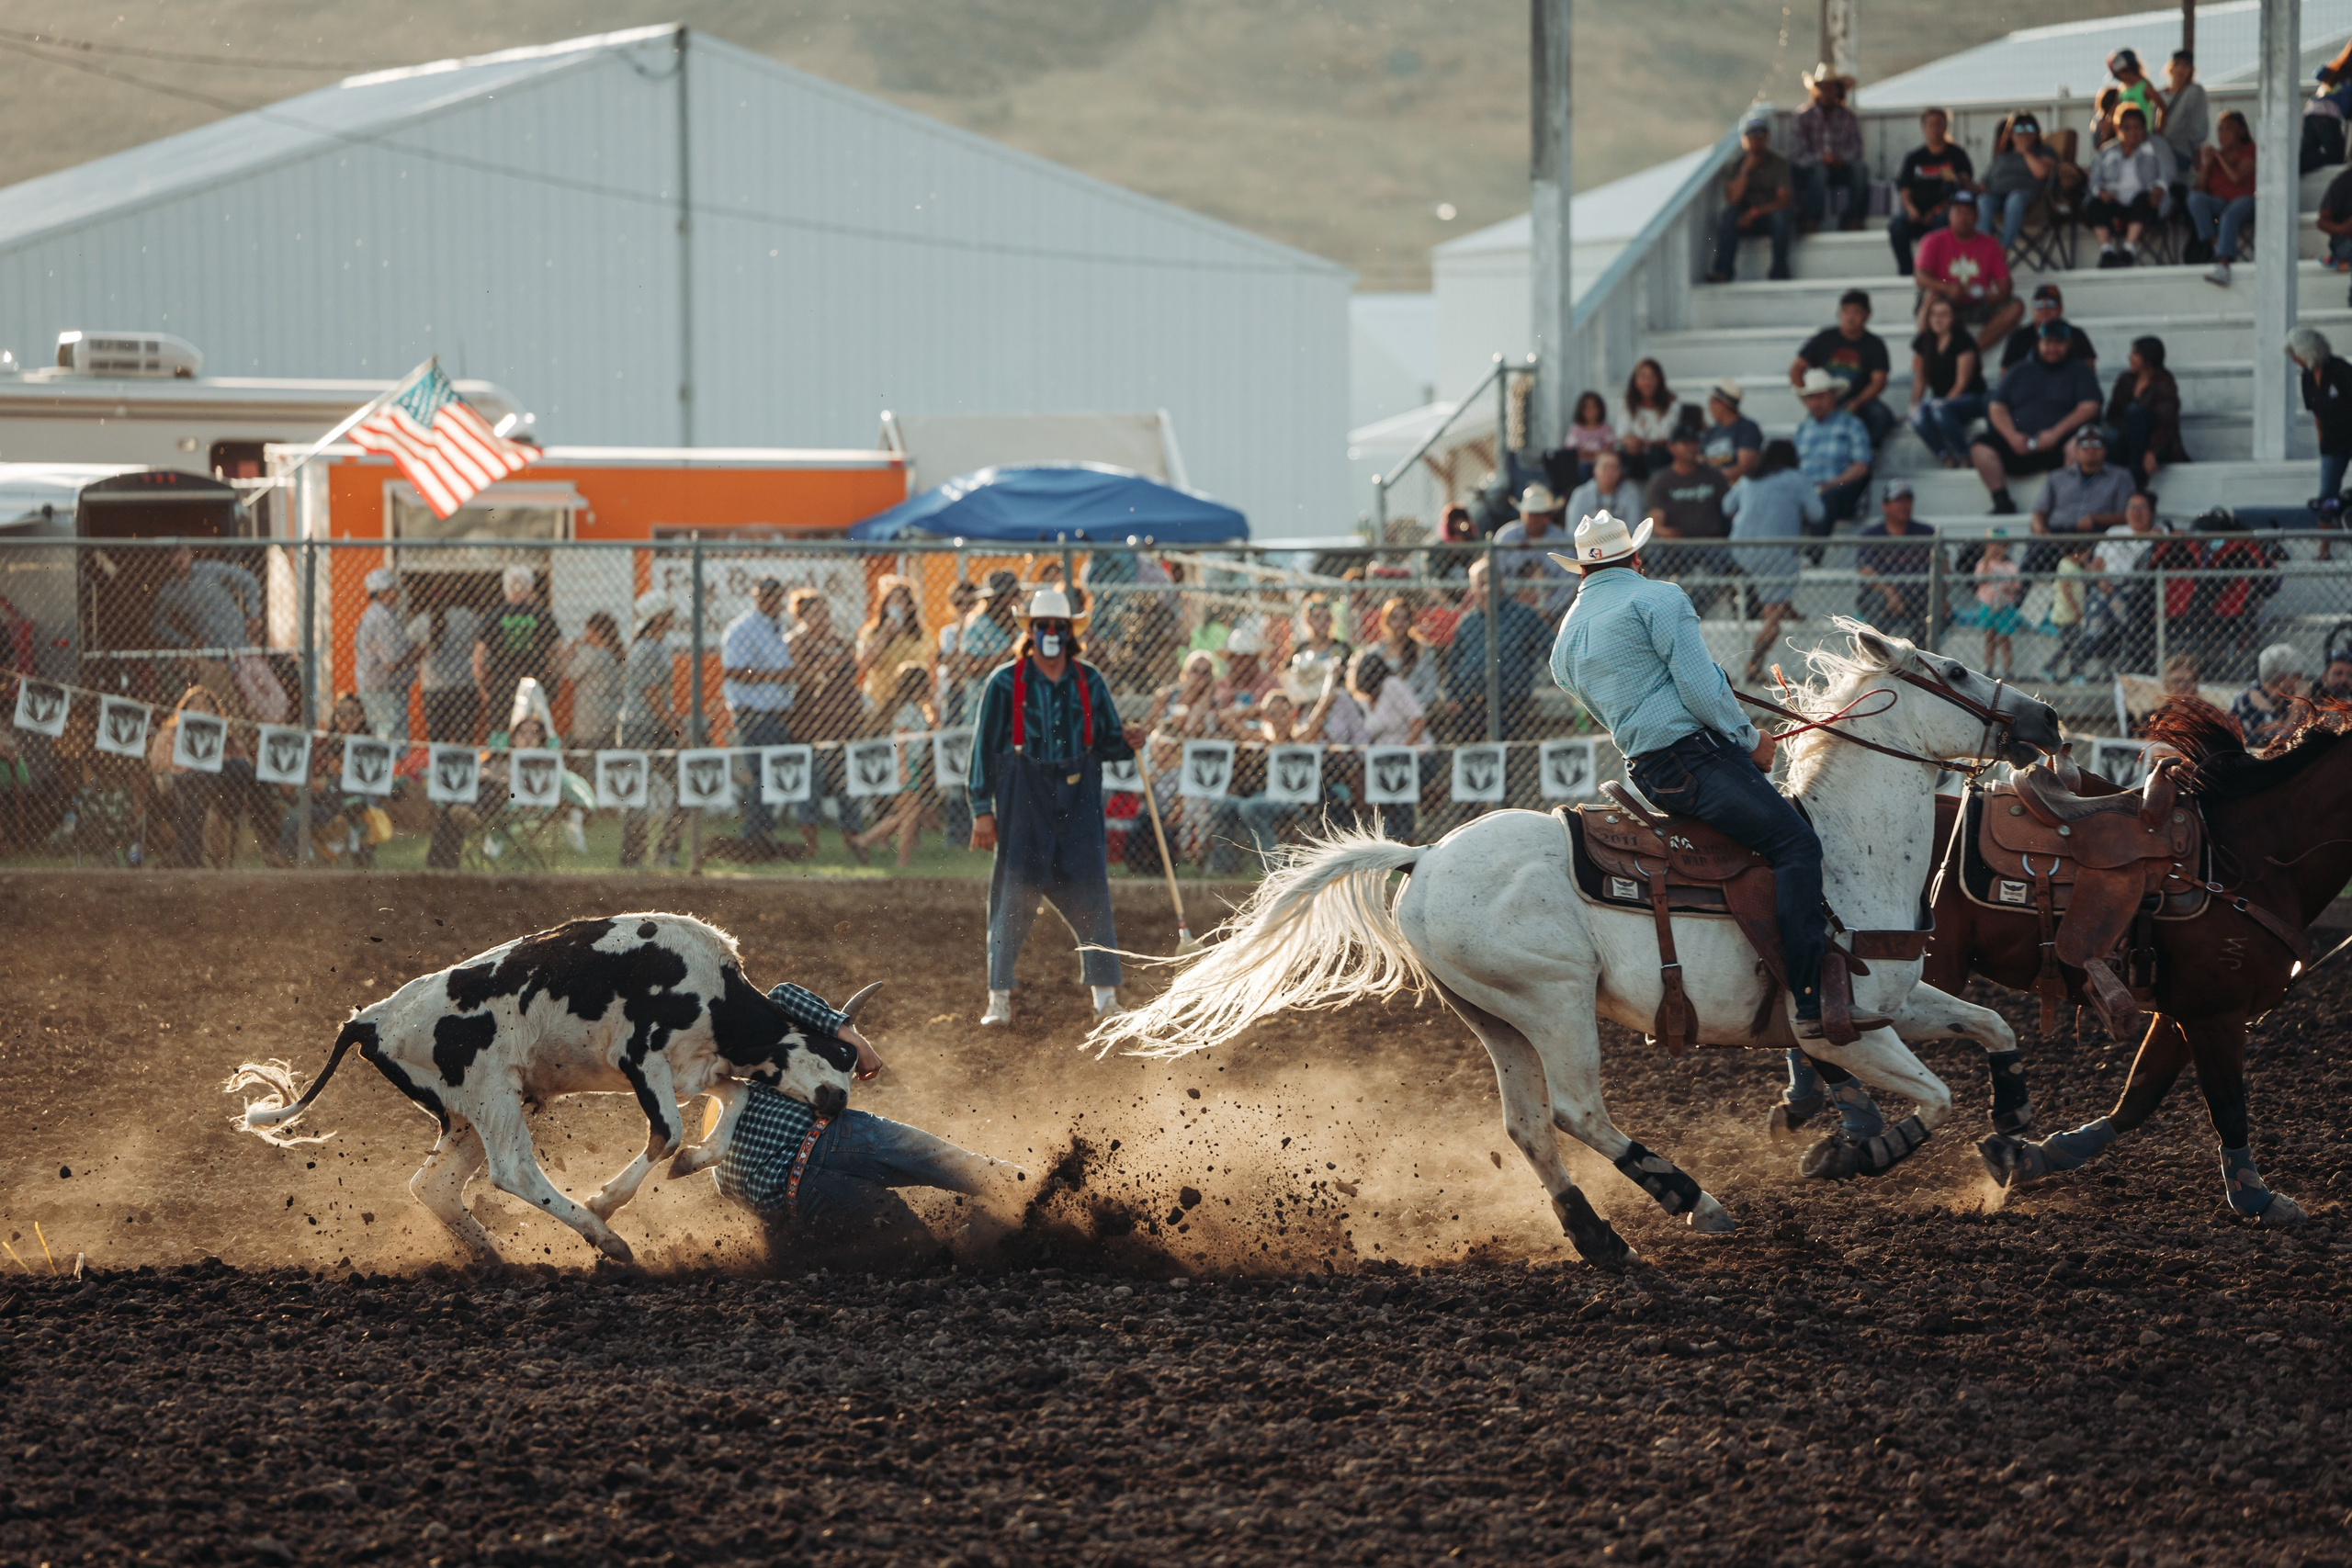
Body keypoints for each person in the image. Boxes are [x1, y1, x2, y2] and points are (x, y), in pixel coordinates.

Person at [1545, 510, 1883, 1039]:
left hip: (1650, 770)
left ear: (1582, 571)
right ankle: (1812, 1000)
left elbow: (1593, 694)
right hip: (1700, 760)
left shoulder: (1565, 638)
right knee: (1797, 847)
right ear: (1635, 557)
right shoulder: (1659, 597)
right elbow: (1701, 690)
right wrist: (1751, 740)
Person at [707, 985, 1018, 1249]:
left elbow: (772, 1221)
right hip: (829, 1137)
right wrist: (855, 1041)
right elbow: (782, 995)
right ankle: (1036, 1191)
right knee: (953, 1164)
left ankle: (989, 1238)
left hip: (802, 1197)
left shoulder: (721, 1164)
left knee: (920, 1245)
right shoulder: (764, 1059)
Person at [967, 588, 1141, 1026]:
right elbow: (982, 748)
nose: (1050, 633)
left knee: (1092, 892)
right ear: (1029, 630)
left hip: (1079, 795)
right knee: (1011, 895)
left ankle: (1106, 999)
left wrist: (1129, 742)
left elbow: (1109, 742)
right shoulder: (1004, 682)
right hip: (1022, 797)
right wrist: (980, 809)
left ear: (1070, 633)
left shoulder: (1091, 681)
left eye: (1058, 626)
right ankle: (999, 999)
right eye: (1042, 625)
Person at [1973, 319, 2105, 515]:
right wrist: (2012, 437)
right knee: (1980, 447)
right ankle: (2002, 501)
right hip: (2019, 444)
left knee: (2079, 445)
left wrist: (2055, 433)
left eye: (2058, 343)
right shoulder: (2019, 369)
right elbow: (1997, 407)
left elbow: (2090, 406)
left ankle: (2064, 504)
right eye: (2048, 342)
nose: (2052, 348)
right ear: (2039, 343)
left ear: (2068, 344)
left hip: (2059, 445)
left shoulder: (2080, 370)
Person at [1723, 439, 1822, 681]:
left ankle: (1785, 606)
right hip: (1775, 555)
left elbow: (1727, 507)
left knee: (1775, 582)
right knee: (1772, 619)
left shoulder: (1749, 478)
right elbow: (1818, 513)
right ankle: (1753, 665)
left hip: (1740, 552)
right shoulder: (1796, 479)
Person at [787, 589, 867, 863]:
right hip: (813, 728)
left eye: (826, 613)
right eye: (817, 613)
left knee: (848, 789)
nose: (825, 618)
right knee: (811, 788)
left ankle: (853, 845)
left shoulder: (839, 643)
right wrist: (828, 663)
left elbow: (852, 666)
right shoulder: (795, 642)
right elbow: (804, 676)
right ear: (803, 616)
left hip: (843, 726)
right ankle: (811, 846)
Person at [149, 683, 261, 867]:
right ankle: (190, 855)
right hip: (182, 787)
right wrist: (187, 771)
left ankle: (191, 854)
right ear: (184, 709)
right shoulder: (170, 735)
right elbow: (158, 764)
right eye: (195, 704)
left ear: (215, 711)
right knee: (197, 780)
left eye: (206, 705)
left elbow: (244, 765)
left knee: (237, 766)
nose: (201, 709)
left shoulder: (226, 737)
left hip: (220, 792)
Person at [722, 576, 797, 854]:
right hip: (754, 711)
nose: (776, 603)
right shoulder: (743, 629)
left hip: (775, 711)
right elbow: (735, 670)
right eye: (769, 598)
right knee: (762, 773)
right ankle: (753, 836)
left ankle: (761, 834)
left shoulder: (775, 627)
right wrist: (776, 677)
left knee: (770, 774)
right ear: (760, 598)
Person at [1444, 558, 1551, 741]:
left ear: (1500, 583)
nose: (1487, 589)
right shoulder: (1467, 622)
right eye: (1481, 584)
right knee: (1473, 759)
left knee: (1510, 756)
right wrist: (1451, 695)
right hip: (1471, 704)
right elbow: (1453, 663)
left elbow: (1550, 648)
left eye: (1491, 583)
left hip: (1511, 703)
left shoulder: (1523, 615)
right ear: (1473, 589)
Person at [151, 546, 263, 716]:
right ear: (167, 559)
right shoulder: (169, 592)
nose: (179, 558)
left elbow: (249, 580)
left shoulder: (210, 570)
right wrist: (186, 641)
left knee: (261, 702)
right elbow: (158, 625)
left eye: (183, 552)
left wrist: (253, 615)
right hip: (214, 657)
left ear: (190, 553)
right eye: (173, 554)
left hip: (242, 644)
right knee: (227, 707)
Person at [618, 591, 686, 871]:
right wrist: (676, 726)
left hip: (654, 729)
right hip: (640, 728)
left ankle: (665, 850)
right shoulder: (646, 648)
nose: (672, 616)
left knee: (684, 787)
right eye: (667, 612)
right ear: (657, 618)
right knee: (638, 797)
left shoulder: (658, 645)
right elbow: (652, 695)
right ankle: (632, 858)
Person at [847, 660, 936, 868]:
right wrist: (904, 767)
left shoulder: (916, 709)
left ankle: (864, 841)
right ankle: (901, 861)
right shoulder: (908, 710)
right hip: (906, 766)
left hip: (909, 765)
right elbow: (900, 739)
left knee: (904, 815)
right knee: (909, 816)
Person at [1913, 190, 2021, 354]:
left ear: (1977, 216)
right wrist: (1948, 288)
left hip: (1977, 300)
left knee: (2016, 307)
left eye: (1968, 212)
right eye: (1958, 212)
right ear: (1950, 215)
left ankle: (1972, 352)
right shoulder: (1932, 240)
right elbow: (1920, 277)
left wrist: (1996, 295)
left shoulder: (1990, 244)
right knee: (1931, 295)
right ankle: (1923, 352)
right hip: (1944, 299)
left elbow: (2004, 284)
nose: (1963, 217)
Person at [1643, 412, 1733, 608]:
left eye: (1694, 442)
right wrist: (1665, 531)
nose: (1691, 447)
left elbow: (1731, 511)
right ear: (1672, 447)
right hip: (1678, 546)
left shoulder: (1713, 476)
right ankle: (1661, 607)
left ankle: (1693, 609)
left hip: (1710, 543)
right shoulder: (1662, 480)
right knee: (1655, 558)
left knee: (1727, 558)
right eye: (1685, 443)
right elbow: (1655, 519)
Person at [1791, 289, 1894, 447]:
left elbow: (1879, 381)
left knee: (1882, 417)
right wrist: (1807, 397)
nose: (1850, 318)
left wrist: (1857, 402)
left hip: (1861, 400)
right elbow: (1796, 369)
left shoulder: (1875, 344)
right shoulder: (1825, 338)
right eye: (1846, 312)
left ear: (1867, 315)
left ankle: (1865, 453)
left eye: (1856, 312)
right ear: (1839, 313)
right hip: (1826, 398)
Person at [472, 566, 560, 745]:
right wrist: (555, 681)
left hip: (503, 686)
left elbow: (479, 655)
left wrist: (481, 685)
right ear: (531, 588)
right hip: (536, 684)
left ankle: (501, 766)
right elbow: (559, 652)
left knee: (500, 732)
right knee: (539, 732)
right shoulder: (542, 616)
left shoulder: (495, 615)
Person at [1707, 107, 1795, 283]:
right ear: (1743, 138)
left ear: (1767, 137)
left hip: (1769, 217)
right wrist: (1746, 169)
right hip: (1745, 220)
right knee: (1728, 215)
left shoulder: (1779, 163)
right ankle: (1723, 271)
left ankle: (1779, 270)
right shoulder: (1736, 164)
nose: (1756, 138)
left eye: (1760, 133)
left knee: (1781, 217)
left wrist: (1754, 212)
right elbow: (1733, 200)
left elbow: (1783, 200)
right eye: (1751, 134)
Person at [1889, 107, 1974, 276]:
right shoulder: (1914, 157)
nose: (1934, 129)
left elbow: (1962, 188)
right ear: (1923, 128)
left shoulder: (1957, 155)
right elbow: (1904, 189)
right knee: (1896, 226)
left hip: (1944, 211)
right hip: (1917, 212)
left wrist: (1937, 210)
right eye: (1930, 124)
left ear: (1945, 127)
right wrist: (1911, 209)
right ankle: (1907, 272)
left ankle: (1935, 272)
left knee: (1944, 222)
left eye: (1939, 124)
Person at [1909, 295, 1987, 468]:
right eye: (1934, 314)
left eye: (1944, 314)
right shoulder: (1924, 341)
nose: (1938, 319)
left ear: (1953, 318)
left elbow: (1962, 383)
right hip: (1942, 401)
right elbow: (1920, 379)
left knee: (1938, 408)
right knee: (1916, 414)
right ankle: (1945, 457)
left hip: (1970, 398)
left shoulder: (1963, 341)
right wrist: (1914, 403)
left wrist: (1942, 403)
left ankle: (1965, 455)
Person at [2098, 489, 2169, 671]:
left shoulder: (2160, 535)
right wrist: (2100, 580)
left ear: (2152, 513)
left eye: (2142, 508)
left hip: (2134, 590)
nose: (2136, 513)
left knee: (2119, 610)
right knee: (2097, 622)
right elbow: (2095, 564)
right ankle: (2082, 667)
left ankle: (2124, 664)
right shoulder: (2114, 532)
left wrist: (2155, 536)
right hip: (2105, 586)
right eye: (2132, 507)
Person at [2086, 106, 2167, 266]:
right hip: (2114, 200)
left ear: (2144, 129)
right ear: (2118, 128)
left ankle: (2128, 250)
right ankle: (2107, 251)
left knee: (2143, 200)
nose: (2132, 132)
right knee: (2092, 203)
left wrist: (2158, 189)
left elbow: (2166, 173)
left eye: (2137, 127)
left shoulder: (2154, 147)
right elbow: (2094, 180)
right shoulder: (2107, 151)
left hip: (2144, 200)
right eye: (2127, 128)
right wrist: (2100, 192)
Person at [1792, 368, 1873, 527]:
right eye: (1810, 397)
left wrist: (1829, 485)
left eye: (1821, 396)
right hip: (1808, 490)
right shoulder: (1803, 429)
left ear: (1834, 396)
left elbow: (1861, 467)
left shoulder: (1852, 424)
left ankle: (1814, 551)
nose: (1815, 403)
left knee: (1828, 498)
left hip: (1839, 488)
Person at [1854, 480, 1933, 641]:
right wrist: (1889, 591)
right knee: (1875, 603)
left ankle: (1916, 655)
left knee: (1936, 609)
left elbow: (1941, 567)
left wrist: (1941, 594)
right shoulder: (1871, 535)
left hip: (1919, 595)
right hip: (1881, 594)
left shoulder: (1926, 532)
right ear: (1886, 506)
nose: (1905, 505)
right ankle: (1879, 654)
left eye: (1908, 500)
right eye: (1898, 500)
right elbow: (1866, 571)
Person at [1791, 63, 1866, 231]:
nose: (1826, 93)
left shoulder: (1848, 117)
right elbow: (1797, 154)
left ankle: (1853, 219)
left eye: (1830, 88)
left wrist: (1840, 159)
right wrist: (1821, 159)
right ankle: (1811, 220)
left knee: (1860, 168)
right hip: (1811, 172)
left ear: (1838, 91)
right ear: (1815, 90)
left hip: (1840, 169)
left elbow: (1857, 150)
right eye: (1821, 88)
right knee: (1819, 170)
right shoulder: (1802, 116)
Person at [353, 567, 423, 746]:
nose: (397, 593)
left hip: (374, 686)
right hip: (386, 688)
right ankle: (394, 772)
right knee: (392, 737)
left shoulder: (373, 614)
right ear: (383, 592)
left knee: (381, 733)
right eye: (393, 589)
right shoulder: (384, 618)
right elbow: (392, 661)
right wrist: (416, 651)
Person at [2187, 108, 2256, 284]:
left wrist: (2219, 156)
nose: (2223, 134)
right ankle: (2216, 245)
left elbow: (2237, 177)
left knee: (2229, 215)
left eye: (2228, 129)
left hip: (2245, 201)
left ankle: (2223, 266)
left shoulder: (2250, 150)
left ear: (2240, 131)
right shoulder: (2215, 158)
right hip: (2220, 202)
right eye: (2220, 129)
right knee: (2194, 199)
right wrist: (2206, 166)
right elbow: (2200, 190)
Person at [2106, 336, 2189, 480]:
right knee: (2112, 438)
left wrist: (2151, 450)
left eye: (2135, 353)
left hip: (2159, 442)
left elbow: (2165, 423)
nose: (2130, 357)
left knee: (2135, 410)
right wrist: (2131, 432)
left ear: (2147, 357)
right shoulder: (2126, 380)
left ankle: (2137, 479)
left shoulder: (2164, 382)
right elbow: (2113, 415)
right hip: (2130, 439)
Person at [2289, 325, 2352, 504]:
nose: (2294, 359)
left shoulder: (2340, 368)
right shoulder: (2307, 377)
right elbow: (2316, 414)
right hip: (2332, 442)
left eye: (2296, 353)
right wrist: (2321, 440)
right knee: (2326, 497)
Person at [1493, 482, 1578, 615]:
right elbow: (1497, 575)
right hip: (1509, 610)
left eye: (1539, 514)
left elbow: (1569, 582)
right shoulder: (1506, 537)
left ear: (1548, 516)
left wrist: (1548, 610)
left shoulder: (1562, 541)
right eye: (1530, 513)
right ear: (1522, 513)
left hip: (1553, 613)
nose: (1534, 519)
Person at [1984, 112, 2061, 252]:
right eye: (2018, 129)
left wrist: (2025, 151)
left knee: (2015, 199)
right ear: (2011, 134)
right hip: (1997, 195)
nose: (2024, 133)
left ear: (2037, 133)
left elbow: (2042, 173)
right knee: (1983, 201)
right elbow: (1984, 182)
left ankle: (2003, 249)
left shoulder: (2044, 152)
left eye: (2030, 129)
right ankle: (1984, 249)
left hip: (2030, 199)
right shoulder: (2002, 157)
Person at [418, 591, 484, 748]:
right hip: (463, 685)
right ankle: (462, 769)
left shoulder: (423, 620)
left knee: (437, 739)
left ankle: (438, 768)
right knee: (464, 738)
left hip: (433, 687)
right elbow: (481, 644)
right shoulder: (469, 617)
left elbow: (410, 646)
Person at [854, 575, 927, 711]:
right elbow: (864, 664)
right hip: (878, 700)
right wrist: (885, 633)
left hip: (913, 704)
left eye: (901, 600)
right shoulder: (871, 633)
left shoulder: (921, 635)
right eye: (892, 601)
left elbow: (931, 668)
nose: (896, 605)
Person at [563, 611, 626, 749]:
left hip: (590, 717)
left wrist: (572, 650)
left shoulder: (591, 654)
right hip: (612, 714)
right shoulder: (616, 653)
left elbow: (571, 672)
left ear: (595, 632)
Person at [2001, 283, 2097, 371]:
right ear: (2032, 308)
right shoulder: (2018, 336)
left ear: (2060, 308)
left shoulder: (2077, 335)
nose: (2045, 309)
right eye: (2038, 304)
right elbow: (2005, 375)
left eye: (2051, 304)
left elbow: (2089, 372)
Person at [2233, 643, 2308, 750]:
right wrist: (2298, 704)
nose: (2300, 682)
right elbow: (2282, 737)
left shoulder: (2281, 697)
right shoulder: (2254, 696)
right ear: (2282, 678)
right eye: (2297, 677)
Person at [1283, 593, 1354, 705]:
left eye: (1327, 617)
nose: (1322, 621)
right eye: (1317, 617)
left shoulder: (1342, 648)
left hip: (1336, 703)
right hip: (1305, 703)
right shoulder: (1301, 649)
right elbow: (1287, 677)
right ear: (1308, 620)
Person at [1973, 532, 2023, 679]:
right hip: (1988, 604)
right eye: (1992, 544)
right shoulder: (1983, 563)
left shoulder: (2010, 566)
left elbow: (2016, 585)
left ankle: (2008, 669)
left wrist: (2009, 588)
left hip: (2004, 605)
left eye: (2000, 545)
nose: (1996, 548)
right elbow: (1980, 579)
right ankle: (1988, 668)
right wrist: (1987, 559)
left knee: (2004, 639)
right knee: (1989, 637)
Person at [1618, 359, 1679, 481]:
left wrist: (1645, 444)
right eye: (1643, 376)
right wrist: (1630, 442)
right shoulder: (1628, 402)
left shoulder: (1671, 402)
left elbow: (1667, 435)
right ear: (1635, 380)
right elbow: (1622, 433)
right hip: (1635, 452)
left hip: (1661, 452)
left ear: (1659, 380)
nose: (1647, 382)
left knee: (1655, 455)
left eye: (1652, 377)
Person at [2045, 540, 2092, 682]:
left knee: (2068, 645)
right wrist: (2076, 610)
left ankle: (2049, 668)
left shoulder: (2075, 566)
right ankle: (2075, 673)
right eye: (2086, 555)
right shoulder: (2066, 565)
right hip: (2066, 613)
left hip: (2071, 613)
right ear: (2078, 554)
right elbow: (2066, 589)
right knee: (2074, 645)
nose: (2087, 559)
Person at [1566, 449, 1645, 533]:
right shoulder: (1580, 494)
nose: (1609, 472)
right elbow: (1573, 531)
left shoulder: (1631, 495)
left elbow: (1634, 531)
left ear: (1620, 471)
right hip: (1588, 544)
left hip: (1622, 544)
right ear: (1595, 470)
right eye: (1605, 467)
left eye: (1614, 467)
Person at [1701, 378, 1762, 480]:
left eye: (1712, 401)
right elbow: (1700, 461)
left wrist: (1713, 477)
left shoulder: (1747, 428)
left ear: (1724, 404)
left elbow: (1744, 468)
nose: (1709, 406)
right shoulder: (1711, 432)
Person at [2160, 50, 2210, 174]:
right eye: (2177, 64)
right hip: (2159, 150)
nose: (2181, 69)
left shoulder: (2195, 92)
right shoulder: (2159, 94)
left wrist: (2197, 157)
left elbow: (2197, 126)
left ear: (2191, 70)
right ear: (2170, 68)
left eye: (2186, 65)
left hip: (2181, 152)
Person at [1561, 390, 1620, 485]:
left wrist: (1592, 454)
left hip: (1602, 464)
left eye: (1594, 407)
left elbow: (1610, 449)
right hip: (1581, 466)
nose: (1591, 410)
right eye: (1587, 407)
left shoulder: (1606, 429)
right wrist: (1595, 453)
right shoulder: (1576, 429)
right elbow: (1571, 451)